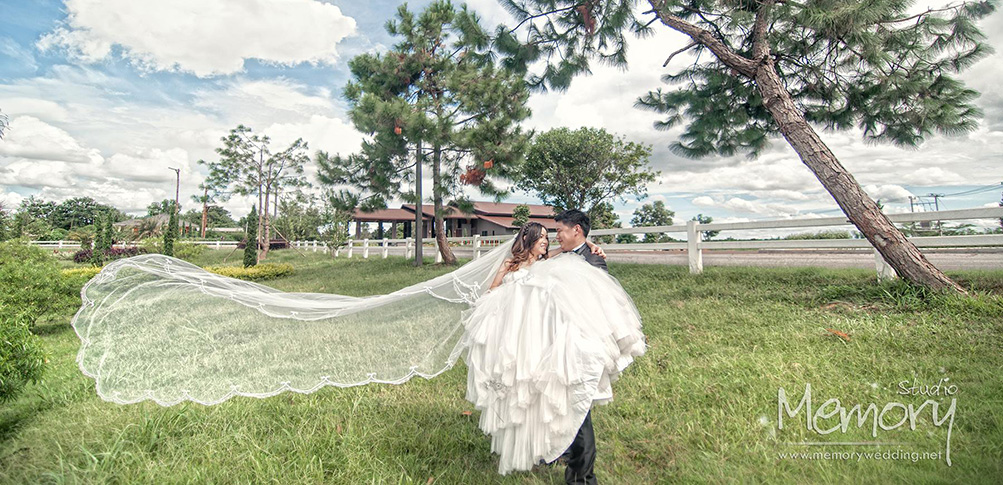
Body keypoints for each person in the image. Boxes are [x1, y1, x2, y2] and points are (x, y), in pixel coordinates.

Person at [459, 214, 646, 480]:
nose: (549, 241)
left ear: (576, 230)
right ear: (529, 241)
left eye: (553, 234)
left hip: (563, 342)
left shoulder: (566, 259)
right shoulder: (519, 263)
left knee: (568, 405)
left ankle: (576, 467)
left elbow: (586, 292)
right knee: (536, 398)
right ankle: (552, 449)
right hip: (526, 338)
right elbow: (493, 293)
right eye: (544, 237)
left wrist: (590, 244)